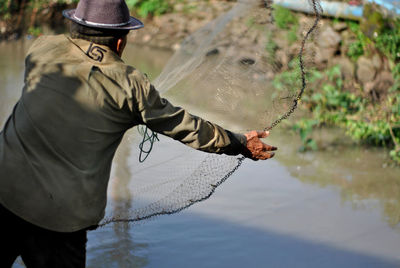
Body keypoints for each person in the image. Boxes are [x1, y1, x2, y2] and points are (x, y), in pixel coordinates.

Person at [0, 0, 277, 267]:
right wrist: (240, 142)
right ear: (120, 42)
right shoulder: (130, 86)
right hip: (59, 219)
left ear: (75, 26)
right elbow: (186, 126)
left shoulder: (41, 49)